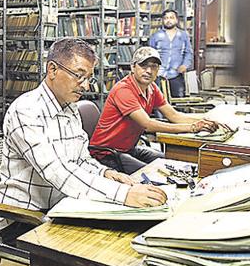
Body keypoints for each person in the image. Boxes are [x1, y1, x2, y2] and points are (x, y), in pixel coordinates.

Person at [0, 38, 167, 245]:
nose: (85, 85)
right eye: (79, 76)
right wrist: (123, 194)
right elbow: (57, 171)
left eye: (89, 78)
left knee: (128, 232)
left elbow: (81, 159)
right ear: (52, 70)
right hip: (24, 217)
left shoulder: (70, 108)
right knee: (103, 246)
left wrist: (105, 173)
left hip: (62, 204)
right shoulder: (26, 111)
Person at [89, 46, 226, 174]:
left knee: (174, 161)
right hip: (107, 153)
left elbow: (174, 115)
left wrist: (208, 120)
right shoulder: (124, 90)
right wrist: (193, 127)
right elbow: (147, 125)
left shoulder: (152, 88)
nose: (148, 71)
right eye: (143, 66)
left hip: (128, 149)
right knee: (157, 174)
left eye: (153, 67)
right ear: (132, 67)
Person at [149, 9, 194, 98]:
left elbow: (188, 52)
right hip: (159, 75)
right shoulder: (156, 36)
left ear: (176, 20)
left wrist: (185, 65)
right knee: (158, 103)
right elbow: (150, 53)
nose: (168, 20)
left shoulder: (183, 35)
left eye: (171, 18)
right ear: (163, 20)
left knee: (178, 102)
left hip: (176, 74)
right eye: (166, 18)